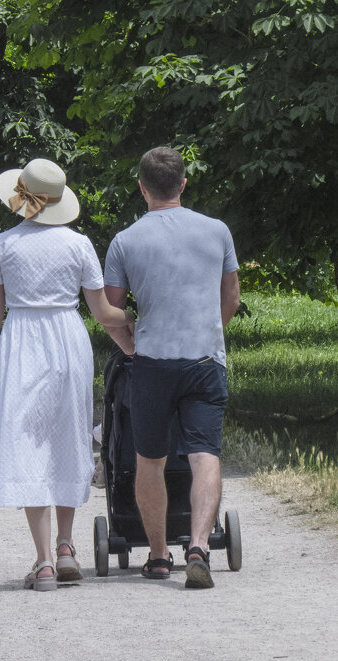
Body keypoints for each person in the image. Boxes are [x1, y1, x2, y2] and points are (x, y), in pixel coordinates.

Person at [0, 158, 135, 592]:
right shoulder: (79, 243)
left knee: (28, 442)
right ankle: (67, 547)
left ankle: (44, 561)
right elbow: (104, 312)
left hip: (23, 337)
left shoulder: (3, 244)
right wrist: (143, 316)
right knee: (69, 436)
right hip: (67, 336)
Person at [103, 146, 241, 589]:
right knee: (205, 455)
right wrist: (206, 332)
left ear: (142, 188)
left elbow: (111, 311)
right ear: (183, 183)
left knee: (150, 459)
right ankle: (198, 546)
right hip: (204, 360)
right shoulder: (217, 231)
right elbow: (232, 299)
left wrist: (130, 345)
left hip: (152, 364)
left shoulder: (124, 241)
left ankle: (159, 556)